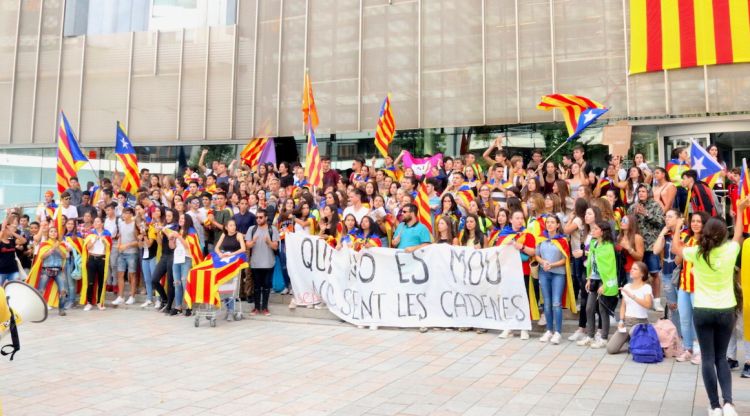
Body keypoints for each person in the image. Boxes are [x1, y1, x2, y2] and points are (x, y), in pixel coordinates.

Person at [671, 197, 748, 416]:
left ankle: (714, 406)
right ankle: (729, 404)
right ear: (724, 234)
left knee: (707, 358)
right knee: (721, 358)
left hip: (703, 310)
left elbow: (676, 248)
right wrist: (740, 211)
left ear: (705, 233)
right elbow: (740, 234)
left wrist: (677, 227)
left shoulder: (697, 253)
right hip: (726, 311)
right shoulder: (730, 251)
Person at [674, 211, 710, 365]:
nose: (695, 223)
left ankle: (702, 350)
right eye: (693, 221)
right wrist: (678, 233)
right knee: (684, 319)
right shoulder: (686, 238)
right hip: (684, 285)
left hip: (699, 287)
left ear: (704, 224)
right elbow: (677, 261)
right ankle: (688, 349)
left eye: (699, 221)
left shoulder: (707, 241)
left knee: (699, 321)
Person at [497, 210, 537, 340]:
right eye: (517, 218)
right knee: (509, 298)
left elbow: (533, 252)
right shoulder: (504, 235)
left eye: (521, 218)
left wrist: (520, 246)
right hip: (508, 272)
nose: (520, 220)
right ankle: (509, 326)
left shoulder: (528, 235)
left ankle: (524, 327)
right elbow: (497, 252)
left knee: (523, 298)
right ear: (511, 220)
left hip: (523, 271)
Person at [578, 221, 618, 349]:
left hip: (604, 280)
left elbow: (610, 267)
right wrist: (589, 278)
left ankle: (604, 338)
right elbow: (591, 261)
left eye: (596, 229)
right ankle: (590, 336)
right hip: (594, 278)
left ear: (602, 231)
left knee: (603, 309)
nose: (593, 230)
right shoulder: (594, 243)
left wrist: (605, 284)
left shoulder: (608, 246)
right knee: (589, 308)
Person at [627, 184, 664, 311]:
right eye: (639, 191)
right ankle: (638, 299)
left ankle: (657, 301)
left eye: (644, 191)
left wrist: (647, 214)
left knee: (654, 273)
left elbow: (661, 222)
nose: (641, 193)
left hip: (651, 245)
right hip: (636, 246)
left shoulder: (655, 205)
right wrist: (634, 214)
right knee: (636, 273)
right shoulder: (633, 206)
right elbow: (627, 223)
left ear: (648, 192)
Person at [535, 215, 569, 345]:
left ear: (558, 225)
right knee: (547, 303)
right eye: (547, 222)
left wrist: (551, 265)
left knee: (556, 303)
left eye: (552, 222)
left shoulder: (563, 240)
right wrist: (543, 262)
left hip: (558, 274)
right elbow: (537, 255)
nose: (549, 224)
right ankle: (549, 330)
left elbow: (565, 259)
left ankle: (558, 332)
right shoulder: (541, 238)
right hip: (544, 273)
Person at [606, 261, 653, 354]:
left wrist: (632, 296)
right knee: (611, 349)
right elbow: (623, 306)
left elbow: (648, 305)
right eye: (631, 268)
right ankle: (630, 343)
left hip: (640, 323)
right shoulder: (627, 286)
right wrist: (621, 321)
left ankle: (634, 342)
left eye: (635, 269)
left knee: (632, 332)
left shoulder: (646, 287)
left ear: (642, 274)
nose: (631, 270)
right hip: (627, 322)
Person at [27, 226, 69, 316]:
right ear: (48, 234)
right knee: (41, 290)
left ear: (57, 234)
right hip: (46, 270)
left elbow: (64, 256)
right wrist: (52, 248)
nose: (53, 233)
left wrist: (57, 248)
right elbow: (42, 257)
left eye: (55, 231)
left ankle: (61, 309)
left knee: (63, 291)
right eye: (51, 231)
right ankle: (37, 308)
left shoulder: (62, 244)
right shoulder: (44, 244)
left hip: (59, 270)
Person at [245, 211, 278, 316]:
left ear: (266, 217)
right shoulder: (252, 229)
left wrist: (269, 242)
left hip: (269, 263)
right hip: (255, 263)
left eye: (261, 217)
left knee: (266, 286)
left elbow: (275, 246)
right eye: (257, 217)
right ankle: (256, 308)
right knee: (257, 286)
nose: (258, 219)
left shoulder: (272, 229)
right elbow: (248, 245)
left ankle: (265, 308)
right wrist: (253, 242)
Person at [170, 214, 202, 317]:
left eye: (183, 218)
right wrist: (172, 239)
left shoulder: (191, 231)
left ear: (187, 220)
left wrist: (178, 236)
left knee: (185, 282)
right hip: (177, 259)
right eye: (180, 218)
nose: (181, 220)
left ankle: (189, 306)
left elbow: (188, 246)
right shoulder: (177, 230)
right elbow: (172, 247)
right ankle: (178, 307)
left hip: (187, 258)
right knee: (177, 283)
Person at [81, 217, 112, 311]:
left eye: (98, 221)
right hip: (92, 259)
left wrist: (103, 240)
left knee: (101, 281)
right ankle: (89, 302)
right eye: (95, 221)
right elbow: (88, 247)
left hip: (102, 259)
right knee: (90, 281)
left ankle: (100, 302)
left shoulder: (107, 233)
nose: (96, 223)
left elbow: (109, 248)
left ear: (102, 223)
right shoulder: (90, 234)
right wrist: (95, 239)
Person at [112, 207, 139, 306]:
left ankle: (132, 296)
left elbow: (138, 241)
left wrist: (127, 246)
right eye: (123, 213)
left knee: (132, 275)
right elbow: (120, 236)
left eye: (126, 213)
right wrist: (119, 245)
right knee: (120, 274)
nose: (124, 215)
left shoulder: (134, 225)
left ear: (131, 215)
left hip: (132, 253)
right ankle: (121, 296)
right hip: (121, 253)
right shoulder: (121, 224)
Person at [152, 209, 177, 314]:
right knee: (154, 279)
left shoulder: (175, 226)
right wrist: (158, 233)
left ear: (173, 216)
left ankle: (169, 305)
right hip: (164, 255)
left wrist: (163, 229)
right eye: (166, 216)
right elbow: (160, 243)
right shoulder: (165, 227)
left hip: (172, 255)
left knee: (170, 282)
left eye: (169, 216)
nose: (167, 218)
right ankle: (165, 299)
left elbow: (171, 237)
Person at [139, 206, 162, 308]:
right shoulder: (145, 230)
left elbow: (149, 244)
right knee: (147, 279)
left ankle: (158, 299)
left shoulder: (153, 229)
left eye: (146, 221)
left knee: (154, 279)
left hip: (153, 256)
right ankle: (149, 299)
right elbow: (140, 246)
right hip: (145, 257)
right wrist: (140, 237)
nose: (145, 224)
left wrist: (144, 235)